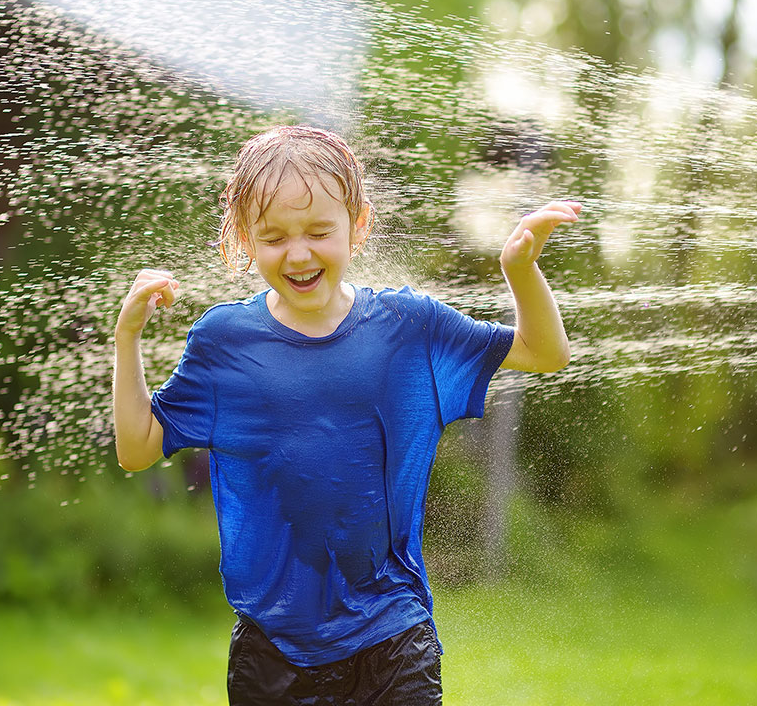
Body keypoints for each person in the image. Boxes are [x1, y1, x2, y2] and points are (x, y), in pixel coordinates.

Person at [113, 125, 580, 705]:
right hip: (272, 654)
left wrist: (520, 270)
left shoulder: (409, 328)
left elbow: (544, 353)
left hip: (392, 639)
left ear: (358, 225)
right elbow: (137, 447)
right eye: (274, 236)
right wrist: (127, 337)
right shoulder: (225, 343)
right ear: (244, 239)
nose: (299, 253)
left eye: (318, 231)